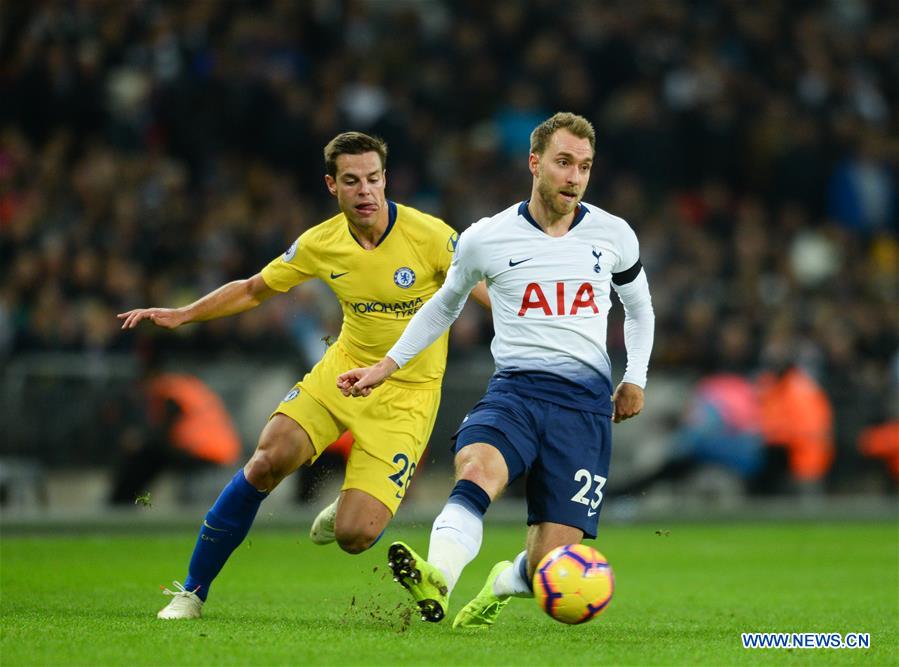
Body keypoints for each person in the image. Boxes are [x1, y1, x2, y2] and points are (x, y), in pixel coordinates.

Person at [118, 131, 489, 619]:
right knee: (267, 460)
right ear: (331, 185)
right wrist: (183, 314)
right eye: (352, 181)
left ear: (386, 179)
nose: (365, 191)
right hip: (344, 374)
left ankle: (347, 509)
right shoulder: (321, 242)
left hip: (408, 396)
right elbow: (254, 290)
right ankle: (191, 592)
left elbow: (489, 293)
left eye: (374, 179)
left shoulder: (432, 236)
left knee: (357, 536)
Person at [338, 112, 655, 627]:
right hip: (516, 393)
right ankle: (437, 575)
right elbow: (444, 306)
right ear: (535, 163)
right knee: (477, 471)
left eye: (585, 167)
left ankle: (505, 580)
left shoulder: (614, 235)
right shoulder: (486, 238)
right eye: (563, 163)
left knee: (549, 570)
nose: (574, 177)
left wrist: (635, 375)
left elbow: (639, 309)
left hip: (584, 409)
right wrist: (386, 365)